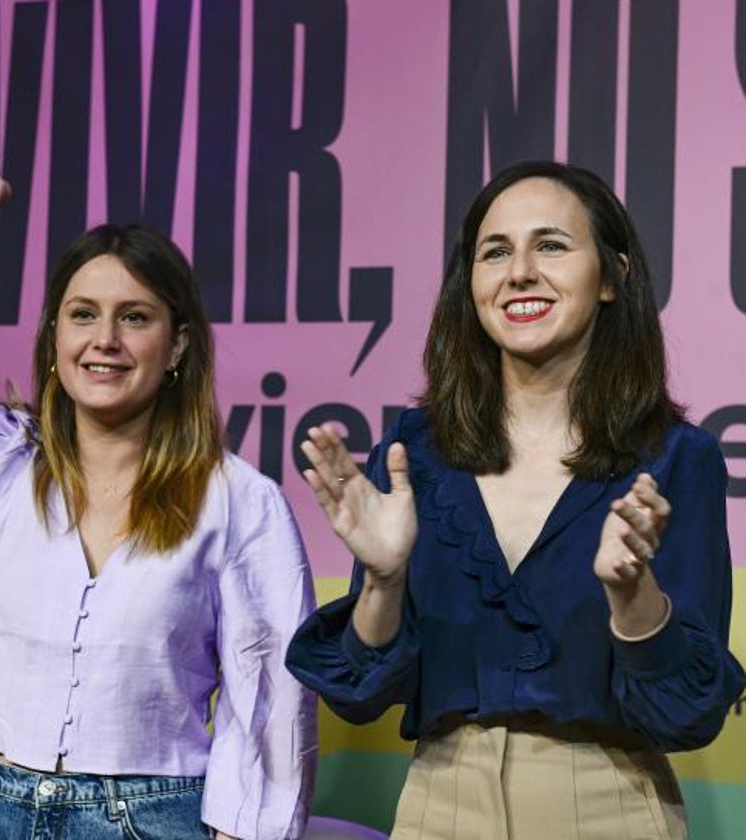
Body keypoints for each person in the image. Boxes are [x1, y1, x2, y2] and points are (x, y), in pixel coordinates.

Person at [0, 165, 317, 839]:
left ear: (178, 344)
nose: (105, 340)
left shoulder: (241, 502)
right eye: (83, 315)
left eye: (134, 317)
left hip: (152, 818)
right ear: (54, 338)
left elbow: (273, 699)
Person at [285, 161, 745, 839]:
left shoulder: (677, 460)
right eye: (494, 252)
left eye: (551, 245)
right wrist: (382, 583)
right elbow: (359, 694)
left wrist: (634, 600)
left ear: (613, 277)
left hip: (607, 803)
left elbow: (688, 715)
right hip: (439, 803)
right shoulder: (417, 455)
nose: (519, 272)